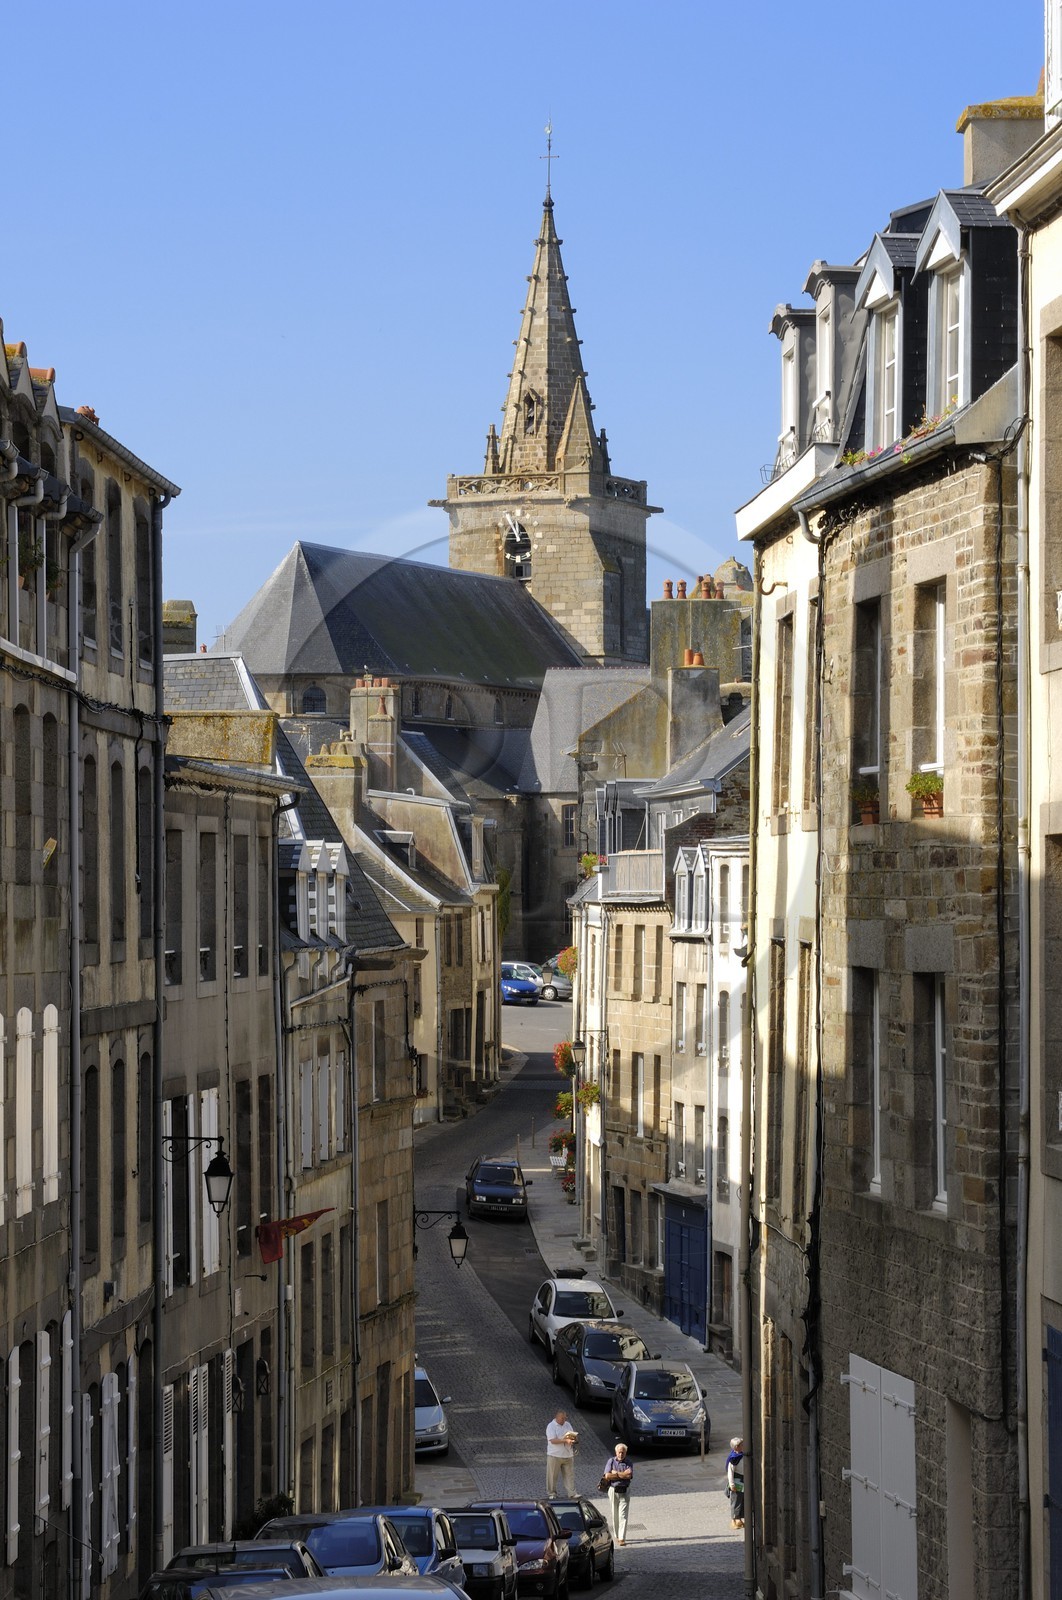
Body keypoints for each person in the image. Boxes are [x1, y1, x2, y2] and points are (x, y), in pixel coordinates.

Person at [602, 1441, 633, 1544]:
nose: (621, 1454)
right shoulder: (611, 1461)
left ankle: (621, 1538)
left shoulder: (629, 1462)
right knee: (615, 1514)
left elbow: (629, 1476)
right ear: (616, 1452)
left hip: (625, 1490)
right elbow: (607, 1476)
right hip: (613, 1489)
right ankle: (616, 1535)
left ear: (625, 1453)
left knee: (623, 1515)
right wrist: (622, 1474)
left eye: (623, 1452)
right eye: (619, 1452)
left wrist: (615, 1473)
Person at [546, 1408, 578, 1497]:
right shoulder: (551, 1426)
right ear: (556, 1417)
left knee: (569, 1476)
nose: (564, 1420)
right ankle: (552, 1493)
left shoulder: (567, 1424)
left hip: (568, 1455)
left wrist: (574, 1439)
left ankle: (572, 1493)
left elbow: (572, 1435)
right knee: (552, 1476)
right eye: (562, 1418)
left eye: (565, 1418)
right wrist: (565, 1440)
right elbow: (552, 1440)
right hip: (554, 1455)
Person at [726, 1437, 745, 1529]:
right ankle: (734, 1520)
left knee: (742, 1499)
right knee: (736, 1500)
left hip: (743, 1479)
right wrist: (731, 1484)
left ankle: (739, 1519)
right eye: (741, 1445)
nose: (743, 1446)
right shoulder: (733, 1458)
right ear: (736, 1447)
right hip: (737, 1480)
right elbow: (730, 1472)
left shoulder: (742, 1455)